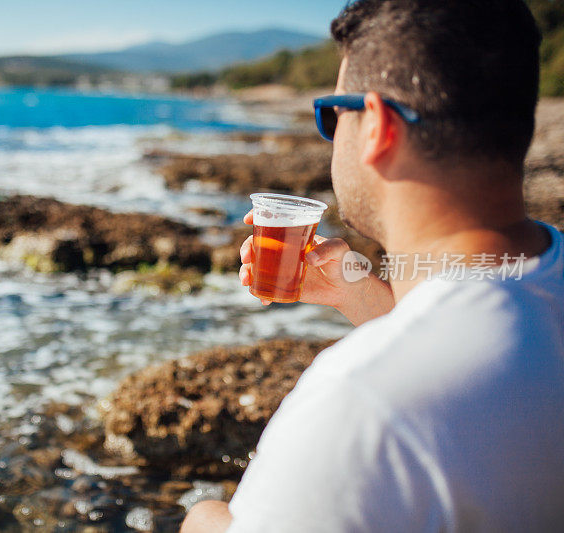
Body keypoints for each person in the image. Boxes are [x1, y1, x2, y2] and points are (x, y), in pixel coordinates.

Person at [180, 0, 564, 531]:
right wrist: (361, 293)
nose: (331, 135)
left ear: (378, 128)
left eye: (331, 115)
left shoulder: (360, 403)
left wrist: (204, 517)